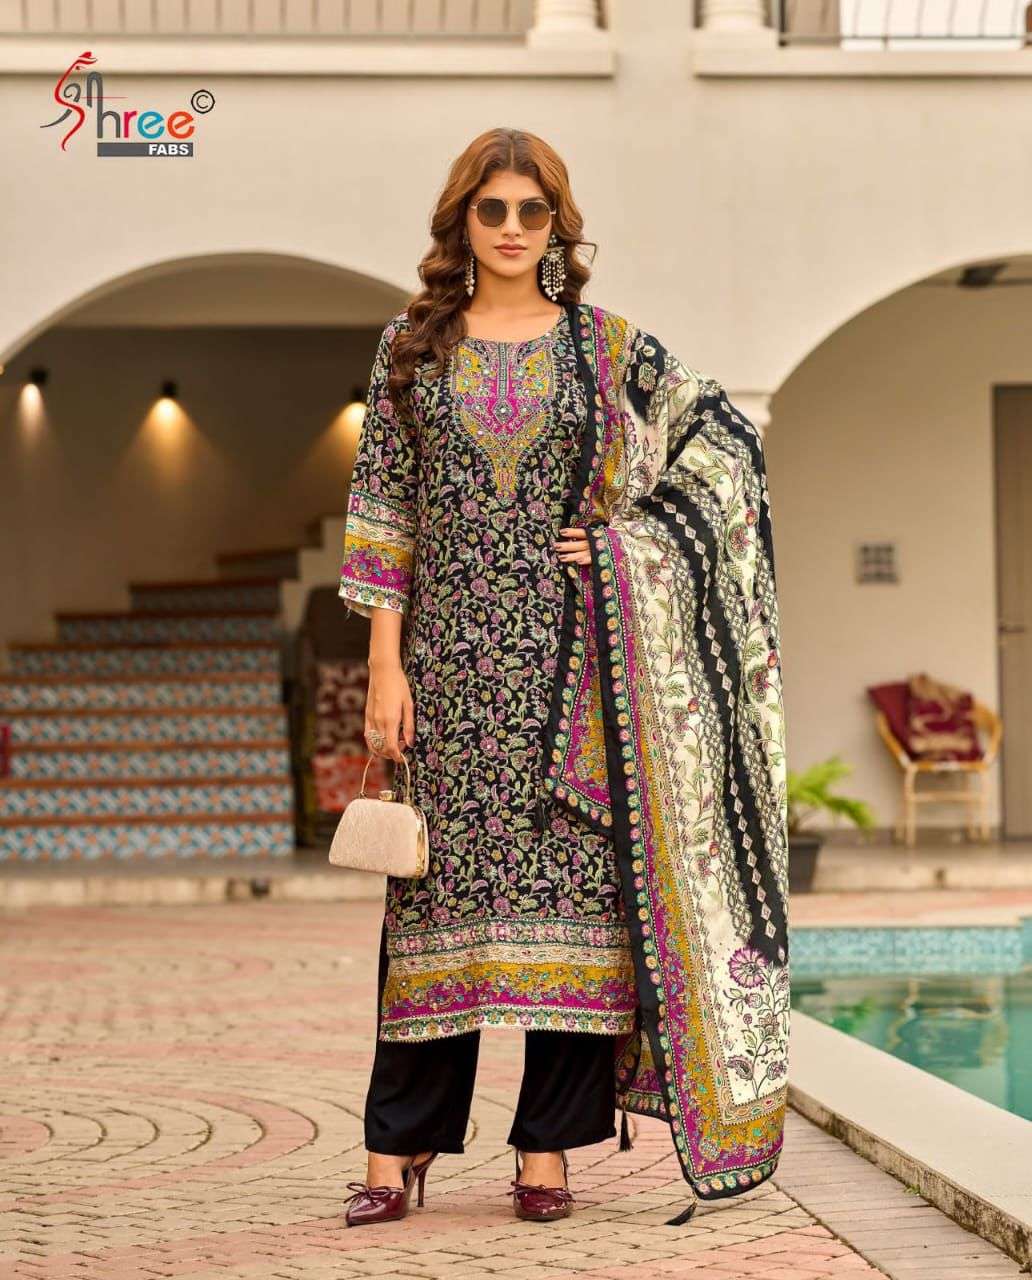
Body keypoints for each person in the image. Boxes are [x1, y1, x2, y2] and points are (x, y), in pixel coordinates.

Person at [337, 127, 791, 1229]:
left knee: (576, 915)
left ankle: (545, 1153)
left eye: (530, 211)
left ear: (557, 225)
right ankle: (397, 1146)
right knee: (431, 905)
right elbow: (385, 511)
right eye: (490, 209)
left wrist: (633, 540)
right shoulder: (411, 345)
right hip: (448, 671)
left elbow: (725, 443)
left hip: (574, 674)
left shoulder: (607, 347)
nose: (510, 228)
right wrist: (385, 666)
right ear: (462, 222)